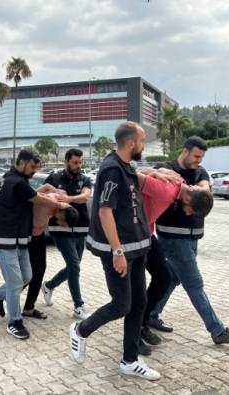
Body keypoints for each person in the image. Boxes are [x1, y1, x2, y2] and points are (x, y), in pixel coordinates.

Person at [68, 121, 160, 380]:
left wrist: (158, 174)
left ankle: (129, 360)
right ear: (131, 142)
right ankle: (81, 330)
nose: (142, 145)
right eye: (141, 141)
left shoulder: (125, 165)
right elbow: (104, 210)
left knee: (139, 303)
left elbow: (135, 186)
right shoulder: (111, 169)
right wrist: (117, 252)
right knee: (122, 304)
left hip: (137, 247)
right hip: (119, 251)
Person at [145, 136, 229, 345]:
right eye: (196, 156)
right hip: (173, 238)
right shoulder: (165, 168)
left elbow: (204, 189)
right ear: (185, 151)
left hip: (192, 238)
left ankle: (150, 314)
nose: (199, 161)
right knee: (194, 283)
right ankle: (217, 331)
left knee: (173, 278)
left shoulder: (200, 172)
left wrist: (201, 187)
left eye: (201, 157)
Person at [0, 149, 69, 340]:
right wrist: (61, 205)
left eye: (36, 168)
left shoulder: (12, 179)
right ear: (21, 163)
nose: (33, 171)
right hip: (5, 240)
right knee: (16, 283)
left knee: (26, 276)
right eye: (32, 167)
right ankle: (15, 321)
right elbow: (37, 198)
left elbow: (29, 195)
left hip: (20, 239)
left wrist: (47, 189)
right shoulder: (15, 181)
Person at [40, 148, 93, 320]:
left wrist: (69, 198)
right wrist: (55, 195)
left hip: (81, 228)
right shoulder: (54, 178)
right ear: (66, 162)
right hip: (59, 228)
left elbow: (85, 196)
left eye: (80, 162)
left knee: (73, 267)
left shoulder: (84, 179)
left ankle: (48, 285)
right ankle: (78, 306)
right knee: (74, 266)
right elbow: (42, 195)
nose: (78, 165)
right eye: (75, 162)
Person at [23, 192, 80, 319]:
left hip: (38, 238)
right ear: (61, 212)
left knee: (40, 271)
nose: (58, 223)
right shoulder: (46, 205)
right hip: (28, 239)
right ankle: (0, 294)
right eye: (61, 221)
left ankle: (28, 308)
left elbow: (49, 190)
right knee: (28, 274)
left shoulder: (60, 204)